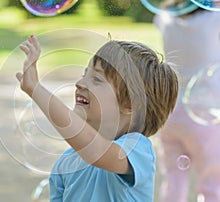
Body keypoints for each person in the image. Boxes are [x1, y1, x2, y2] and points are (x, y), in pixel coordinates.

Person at [16, 34, 179, 201]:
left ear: (130, 104)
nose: (80, 82)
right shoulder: (66, 162)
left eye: (96, 79)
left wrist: (35, 89)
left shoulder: (137, 149)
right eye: (85, 74)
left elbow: (95, 151)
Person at [154, 8, 220, 202]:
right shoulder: (215, 18)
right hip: (204, 113)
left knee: (173, 179)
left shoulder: (165, 18)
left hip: (171, 112)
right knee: (212, 183)